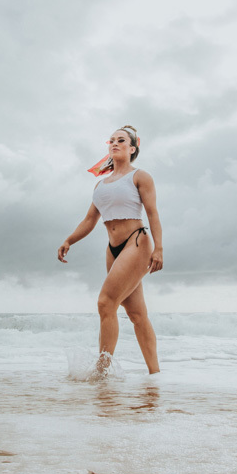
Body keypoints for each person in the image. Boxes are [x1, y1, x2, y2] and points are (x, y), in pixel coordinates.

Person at [57, 125, 163, 374]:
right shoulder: (100, 185)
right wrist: (69, 240)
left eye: (121, 140)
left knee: (106, 303)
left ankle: (101, 371)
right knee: (136, 314)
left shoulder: (140, 177)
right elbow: (89, 220)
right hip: (113, 249)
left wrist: (158, 248)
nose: (115, 143)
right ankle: (155, 376)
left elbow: (152, 213)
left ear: (132, 148)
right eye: (112, 140)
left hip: (136, 243)